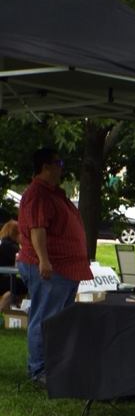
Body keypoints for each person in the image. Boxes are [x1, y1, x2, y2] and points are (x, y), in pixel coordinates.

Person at [17, 148, 92, 383]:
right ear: (45, 167)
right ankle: (39, 369)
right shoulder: (37, 194)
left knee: (58, 319)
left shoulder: (53, 193)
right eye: (58, 163)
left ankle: (55, 366)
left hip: (64, 268)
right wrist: (44, 260)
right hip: (50, 268)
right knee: (45, 318)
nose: (62, 167)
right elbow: (37, 230)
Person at [0, 220, 28, 315]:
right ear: (16, 234)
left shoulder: (4, 244)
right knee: (26, 285)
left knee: (20, 285)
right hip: (3, 279)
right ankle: (13, 310)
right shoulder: (10, 246)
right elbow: (23, 261)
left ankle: (12, 310)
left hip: (4, 278)